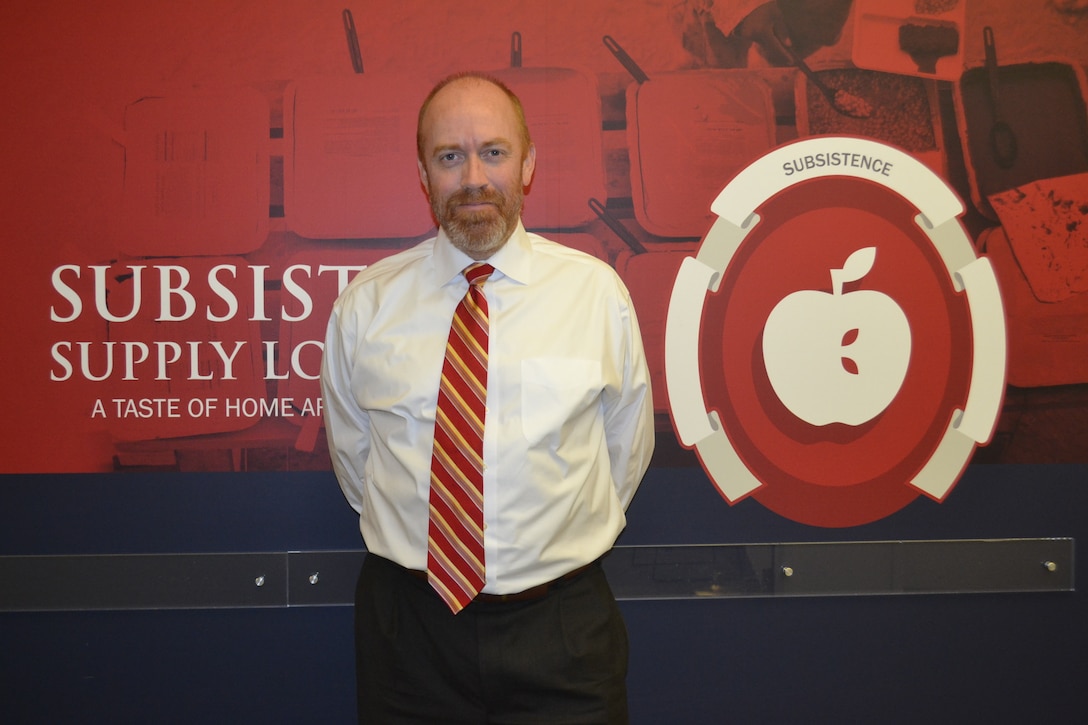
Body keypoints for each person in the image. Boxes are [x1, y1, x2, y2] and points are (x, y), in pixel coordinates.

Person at [320, 71, 655, 724]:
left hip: (562, 629)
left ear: (527, 164)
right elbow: (356, 461)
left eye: (494, 152)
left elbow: (625, 451)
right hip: (409, 634)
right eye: (450, 156)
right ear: (424, 173)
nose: (474, 176)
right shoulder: (368, 303)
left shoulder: (595, 294)